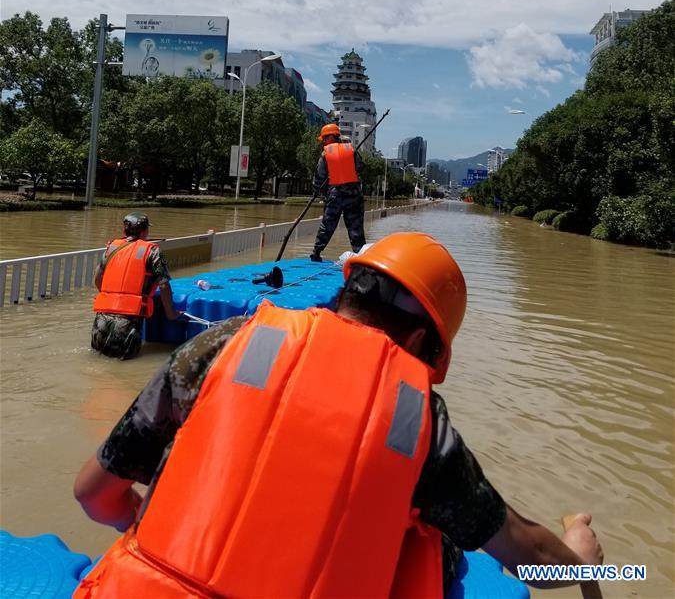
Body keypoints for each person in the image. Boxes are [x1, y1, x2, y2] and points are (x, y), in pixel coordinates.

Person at [73, 232, 602, 597]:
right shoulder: (415, 417)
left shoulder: (225, 344)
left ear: (344, 294)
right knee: (429, 541)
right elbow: (528, 557)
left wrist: (147, 523)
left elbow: (93, 494)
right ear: (420, 341)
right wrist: (579, 557)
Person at [90, 212, 179, 361]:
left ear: (124, 230)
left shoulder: (111, 248)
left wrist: (111, 296)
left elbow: (97, 278)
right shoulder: (152, 251)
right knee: (124, 364)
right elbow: (164, 285)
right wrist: (170, 313)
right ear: (144, 231)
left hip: (101, 320)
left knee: (97, 360)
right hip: (128, 322)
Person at [310, 121, 366, 262]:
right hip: (354, 194)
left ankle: (316, 253)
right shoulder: (350, 149)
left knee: (327, 225)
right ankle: (361, 257)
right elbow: (361, 167)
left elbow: (319, 177)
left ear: (330, 137)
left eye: (324, 139)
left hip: (335, 195)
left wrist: (320, 192)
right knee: (356, 228)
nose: (323, 142)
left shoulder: (326, 153)